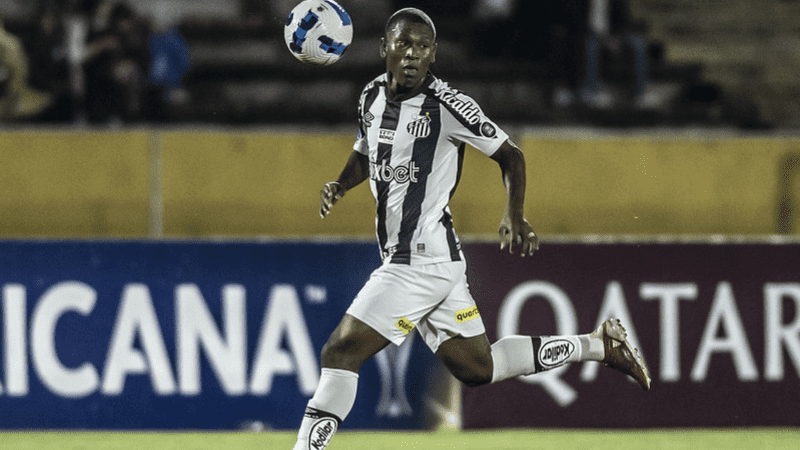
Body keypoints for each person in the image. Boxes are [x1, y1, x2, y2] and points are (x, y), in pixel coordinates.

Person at [292, 8, 651, 450]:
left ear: (434, 54)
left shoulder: (448, 105)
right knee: (479, 368)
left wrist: (514, 213)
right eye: (404, 44)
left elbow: (510, 154)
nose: (413, 54)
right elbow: (367, 152)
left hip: (417, 262)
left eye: (423, 47)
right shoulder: (371, 96)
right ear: (385, 48)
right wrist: (340, 184)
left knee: (339, 352)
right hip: (436, 263)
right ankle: (598, 346)